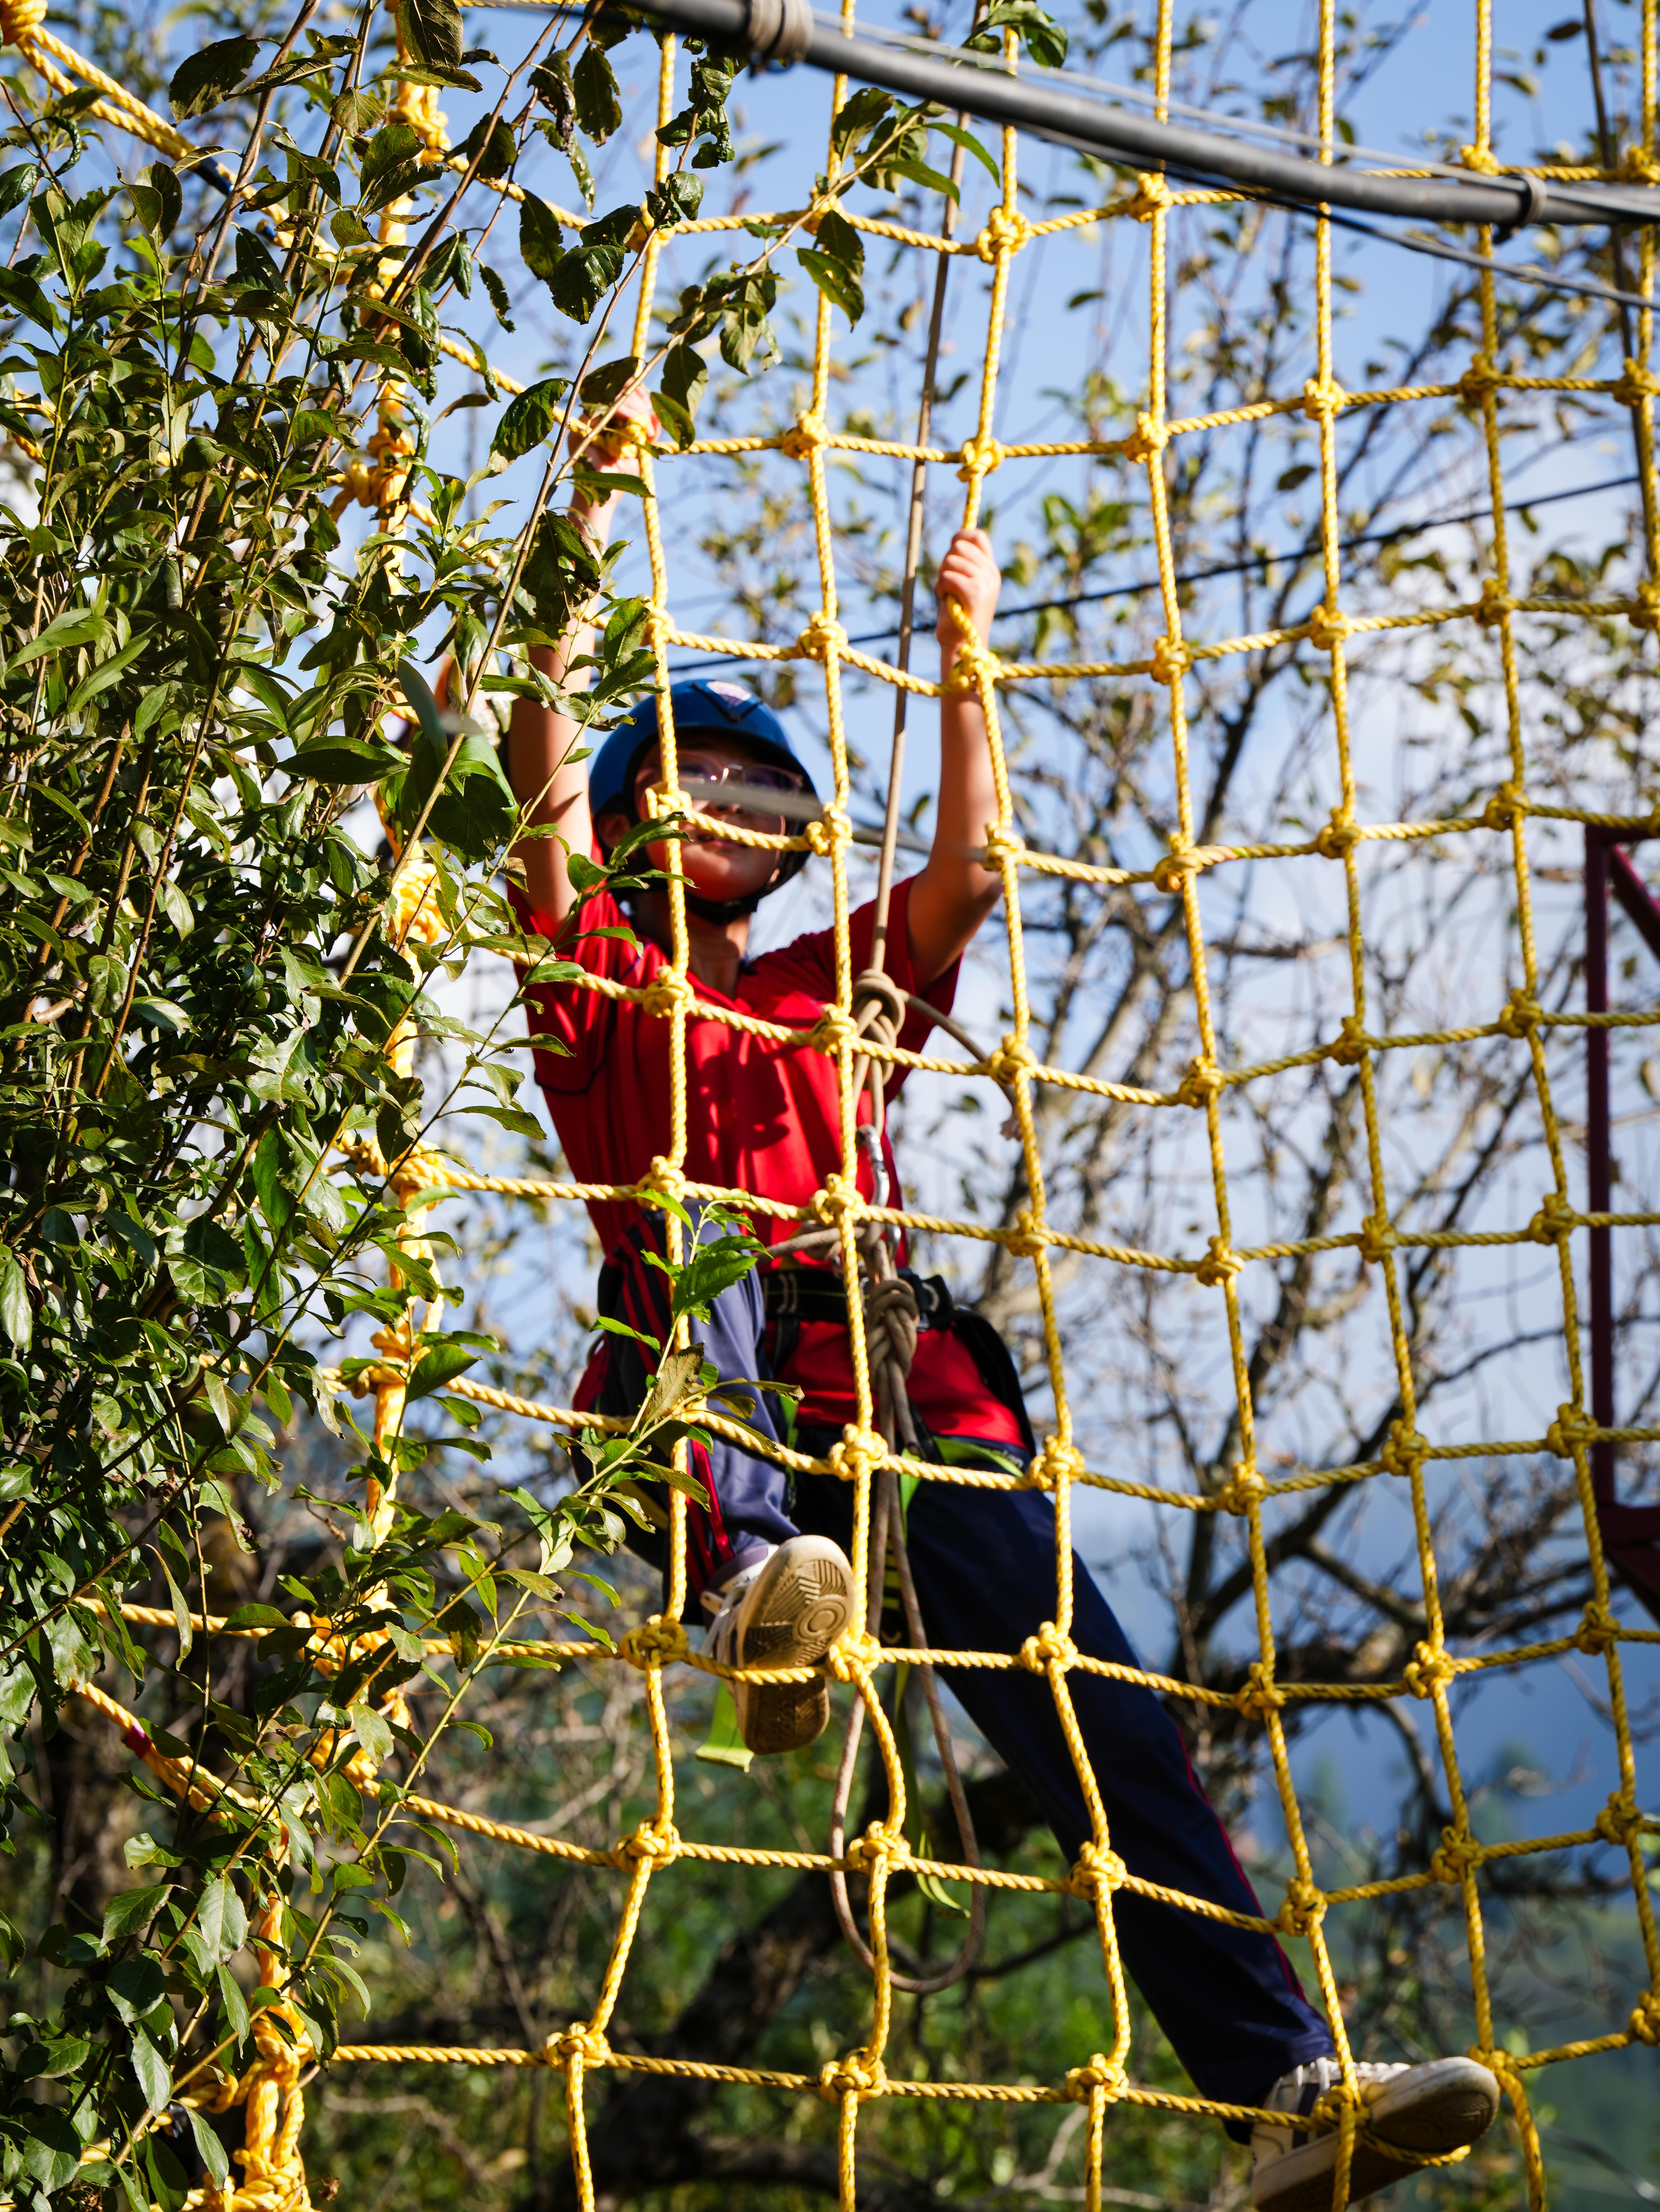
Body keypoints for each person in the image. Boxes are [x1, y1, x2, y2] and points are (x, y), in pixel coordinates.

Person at [501, 394, 1500, 2212]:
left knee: (1105, 1706)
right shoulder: (597, 986)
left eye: (751, 790)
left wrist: (963, 657)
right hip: (701, 1392)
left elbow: (969, 873)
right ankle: (745, 1588)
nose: (720, 813)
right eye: (689, 784)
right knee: (703, 1258)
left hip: (884, 1396)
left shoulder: (826, 988)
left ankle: (1279, 2081)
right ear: (647, 816)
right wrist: (581, 513)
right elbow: (532, 776)